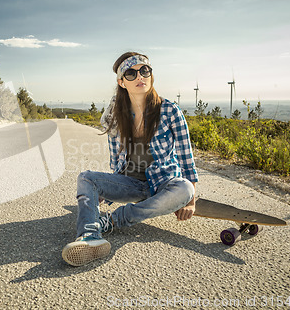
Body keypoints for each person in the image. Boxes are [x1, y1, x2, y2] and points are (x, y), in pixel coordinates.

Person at [62, 52, 199, 266]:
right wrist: (106, 191)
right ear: (121, 82)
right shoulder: (117, 116)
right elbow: (116, 159)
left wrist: (190, 201)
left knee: (185, 188)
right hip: (131, 184)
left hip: (164, 182)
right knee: (86, 178)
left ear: (151, 75)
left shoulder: (170, 110)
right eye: (131, 73)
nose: (139, 77)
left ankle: (112, 220)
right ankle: (89, 236)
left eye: (145, 71)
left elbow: (185, 156)